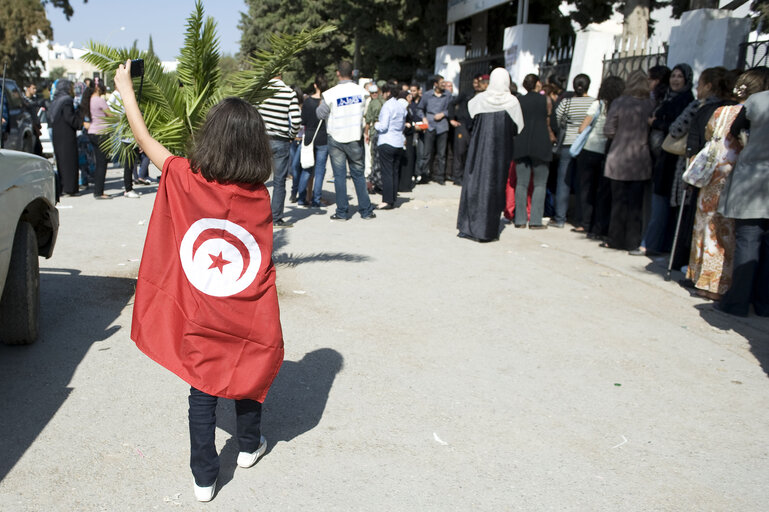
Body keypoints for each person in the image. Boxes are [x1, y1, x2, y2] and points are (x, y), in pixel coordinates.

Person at [113, 60, 284, 502]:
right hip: (244, 308)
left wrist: (126, 91)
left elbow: (145, 141)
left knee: (202, 387)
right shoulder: (259, 196)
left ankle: (204, 477)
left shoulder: (187, 179)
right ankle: (249, 445)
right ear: (255, 147)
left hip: (202, 310)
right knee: (247, 367)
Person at [716, 67, 769, 316]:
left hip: (754, 180)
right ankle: (764, 303)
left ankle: (737, 302)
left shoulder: (757, 101)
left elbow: (736, 130)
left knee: (748, 240)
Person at [457, 68, 524, 242]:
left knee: (474, 184)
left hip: (478, 150)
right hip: (500, 153)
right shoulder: (512, 102)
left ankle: (468, 227)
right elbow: (517, 128)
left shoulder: (479, 100)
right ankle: (487, 230)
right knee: (494, 187)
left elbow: (469, 121)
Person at [641, 64, 695, 254]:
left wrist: (656, 122)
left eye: (680, 76)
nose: (675, 79)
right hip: (662, 156)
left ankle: (651, 244)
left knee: (662, 204)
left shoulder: (686, 101)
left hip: (673, 160)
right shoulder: (668, 97)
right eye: (673, 75)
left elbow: (675, 127)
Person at [601, 70, 655, 254]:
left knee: (618, 201)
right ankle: (633, 241)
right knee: (635, 204)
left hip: (618, 157)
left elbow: (608, 130)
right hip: (640, 159)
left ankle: (615, 238)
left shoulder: (619, 103)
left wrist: (620, 136)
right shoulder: (650, 104)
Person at [316, 60, 376, 220]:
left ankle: (342, 212)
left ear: (338, 73)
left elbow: (320, 114)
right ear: (352, 73)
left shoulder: (330, 94)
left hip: (336, 138)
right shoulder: (361, 92)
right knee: (358, 175)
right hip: (355, 137)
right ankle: (366, 211)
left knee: (339, 176)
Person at [572, 76, 625, 236]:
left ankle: (584, 222)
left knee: (586, 189)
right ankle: (599, 225)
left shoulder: (597, 104)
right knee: (602, 192)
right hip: (608, 151)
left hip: (590, 149)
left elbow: (582, 127)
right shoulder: (620, 106)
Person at [257, 74, 301, 227]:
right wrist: (291, 135)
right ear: (281, 74)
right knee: (279, 181)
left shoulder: (261, 90)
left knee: (256, 178)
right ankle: (275, 218)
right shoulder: (288, 92)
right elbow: (296, 120)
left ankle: (256, 215)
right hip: (281, 140)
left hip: (261, 138)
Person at [551, 73, 594, 228]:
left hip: (567, 144)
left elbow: (558, 119)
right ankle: (580, 220)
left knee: (563, 181)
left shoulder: (566, 103)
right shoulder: (594, 103)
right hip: (585, 145)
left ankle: (560, 218)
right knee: (583, 183)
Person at [512, 74, 554, 229]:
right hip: (541, 143)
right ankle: (536, 220)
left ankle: (520, 220)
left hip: (522, 143)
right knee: (540, 184)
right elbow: (552, 121)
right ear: (537, 84)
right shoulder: (546, 100)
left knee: (521, 184)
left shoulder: (518, 101)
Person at [296, 74, 329, 208]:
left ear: (315, 85)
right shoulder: (327, 101)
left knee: (307, 169)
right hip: (323, 138)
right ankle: (316, 200)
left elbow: (302, 120)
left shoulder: (308, 101)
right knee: (320, 171)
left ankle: (301, 199)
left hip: (309, 137)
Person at [374, 83, 407, 210]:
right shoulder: (401, 106)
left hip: (387, 140)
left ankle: (387, 200)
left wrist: (375, 124)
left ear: (387, 92)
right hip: (398, 141)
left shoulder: (387, 106)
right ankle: (393, 198)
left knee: (387, 172)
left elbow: (383, 126)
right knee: (395, 171)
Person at [416, 74, 451, 184]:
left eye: (444, 83)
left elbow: (451, 109)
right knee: (427, 153)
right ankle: (424, 174)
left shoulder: (448, 95)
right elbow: (420, 109)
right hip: (430, 125)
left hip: (442, 125)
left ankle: (440, 176)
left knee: (441, 153)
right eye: (441, 83)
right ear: (435, 84)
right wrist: (424, 118)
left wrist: (443, 114)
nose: (443, 85)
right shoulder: (427, 95)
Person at [49, 79, 81, 197]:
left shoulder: (55, 101)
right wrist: (78, 118)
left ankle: (63, 187)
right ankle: (70, 188)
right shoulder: (66, 101)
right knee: (70, 162)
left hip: (58, 136)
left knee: (62, 163)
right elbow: (70, 118)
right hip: (67, 137)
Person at [448, 76, 476, 186]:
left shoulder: (482, 95)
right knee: (460, 151)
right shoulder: (466, 93)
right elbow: (452, 104)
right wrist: (451, 119)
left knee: (469, 152)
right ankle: (457, 176)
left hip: (473, 126)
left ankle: (466, 175)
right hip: (462, 124)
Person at [87, 82, 112, 199]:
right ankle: (99, 192)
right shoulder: (99, 100)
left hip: (92, 131)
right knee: (102, 164)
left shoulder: (89, 100)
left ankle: (98, 190)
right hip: (101, 133)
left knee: (98, 163)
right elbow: (111, 115)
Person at [364, 83, 385, 193]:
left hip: (374, 131)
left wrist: (366, 133)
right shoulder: (384, 101)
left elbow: (368, 120)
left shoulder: (373, 103)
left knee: (373, 157)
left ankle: (373, 182)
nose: (374, 94)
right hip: (385, 132)